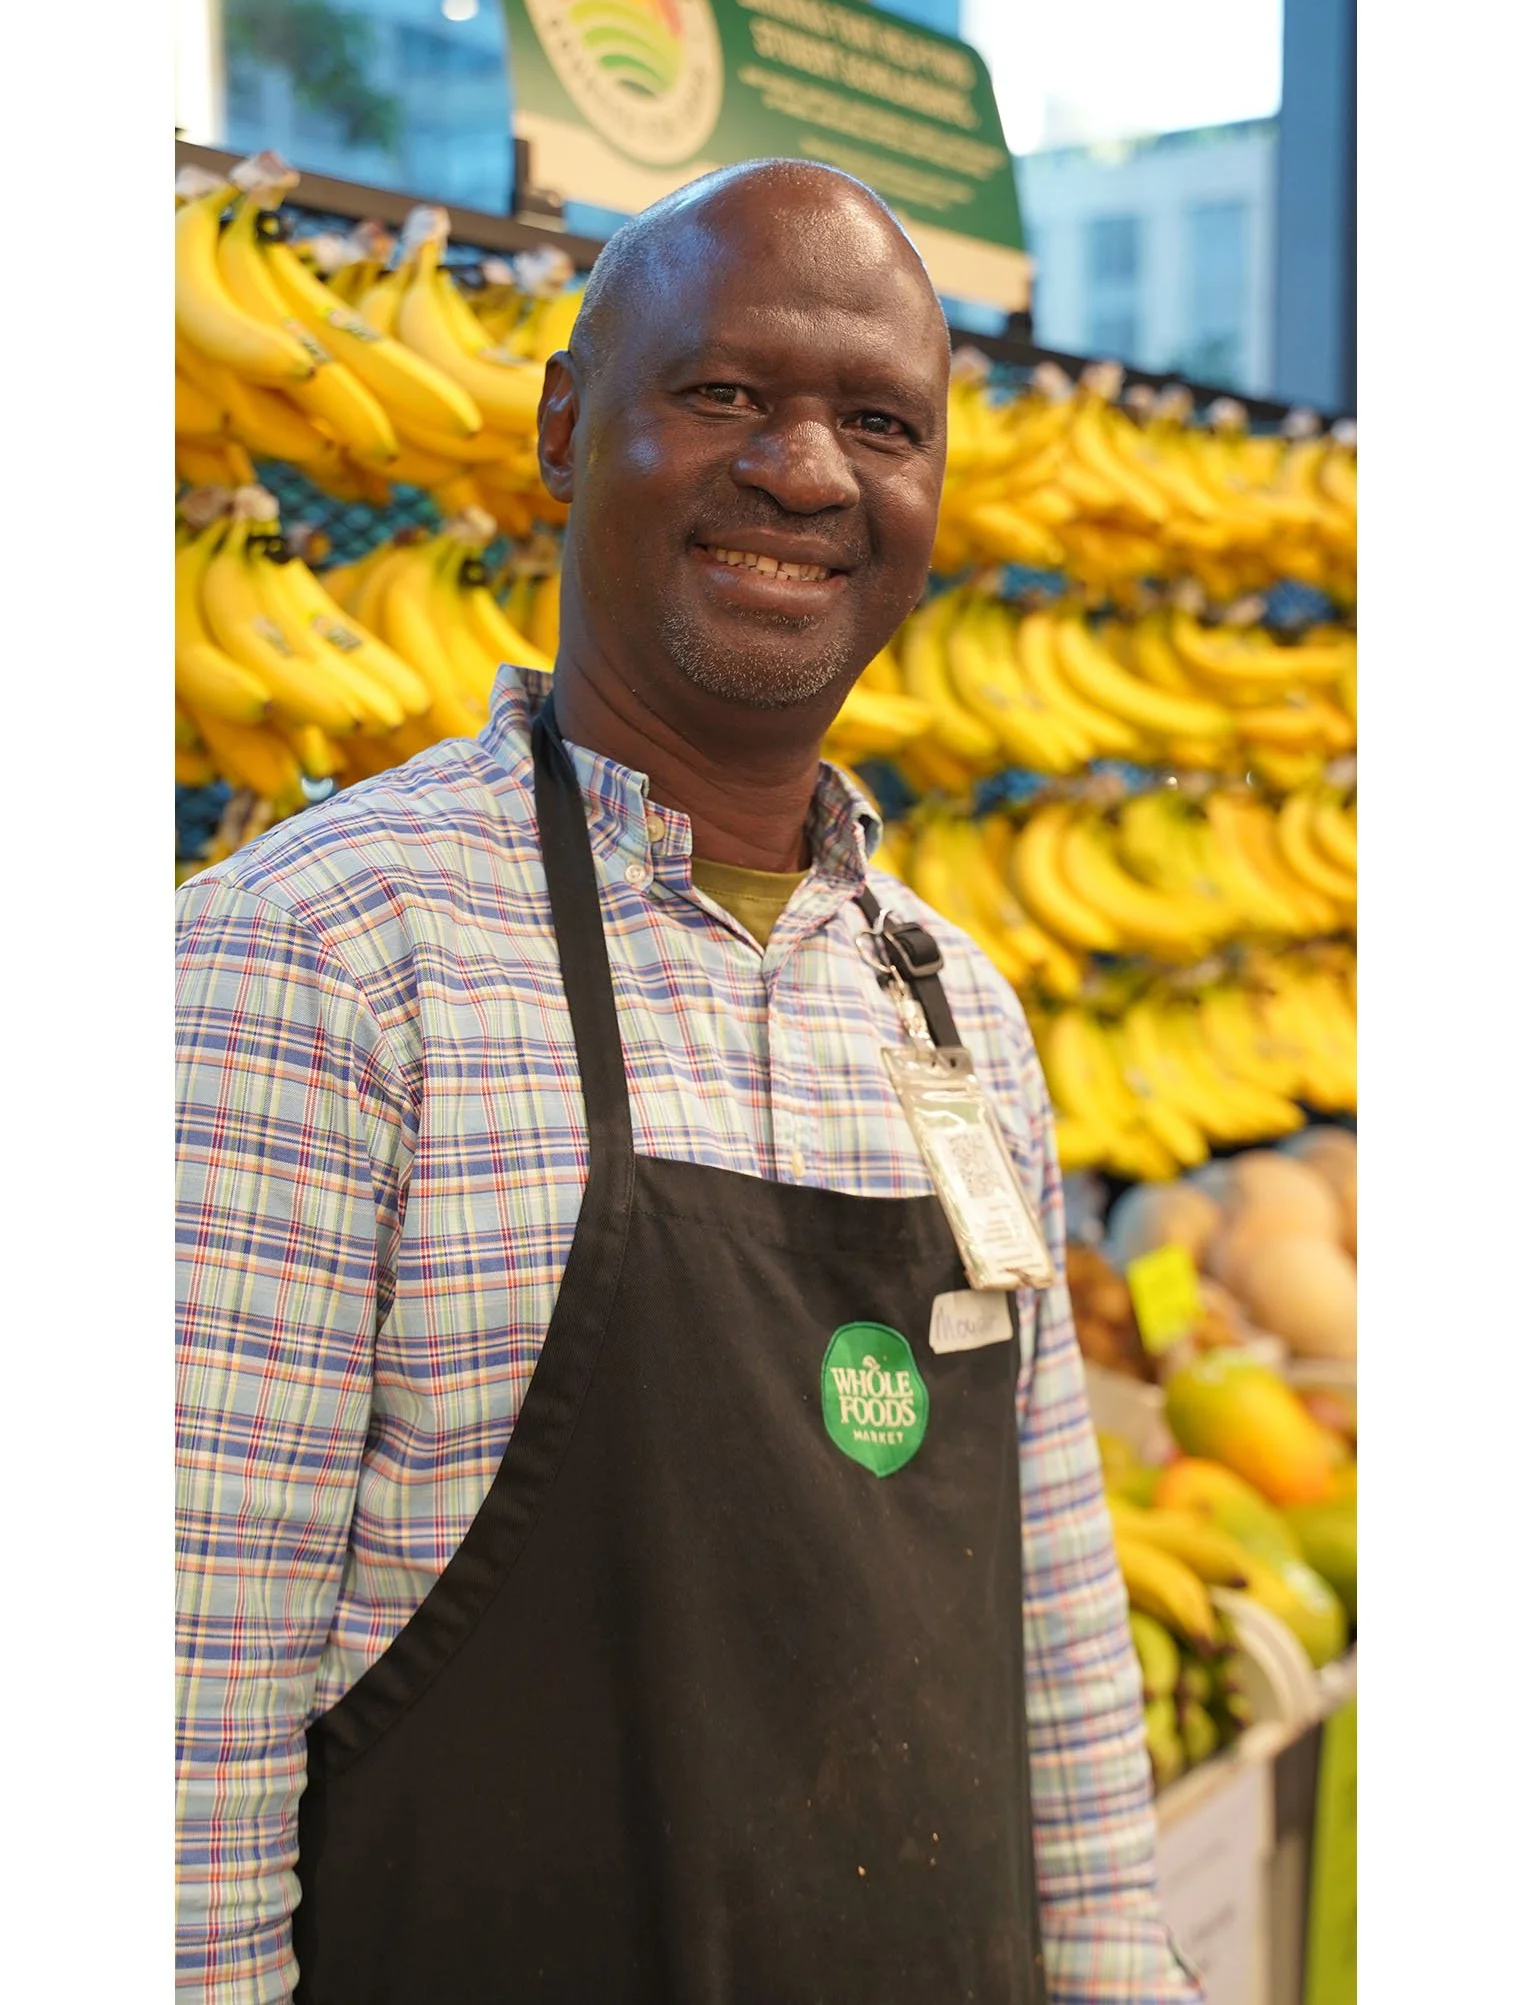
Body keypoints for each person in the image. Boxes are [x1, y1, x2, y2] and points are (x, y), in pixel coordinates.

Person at [176, 158, 1202, 2005]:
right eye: (724, 393)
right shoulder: (321, 959)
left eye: (876, 424)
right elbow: (176, 1726)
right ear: (568, 429)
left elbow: (1053, 1641)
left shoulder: (955, 1005)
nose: (805, 472)